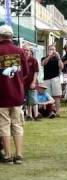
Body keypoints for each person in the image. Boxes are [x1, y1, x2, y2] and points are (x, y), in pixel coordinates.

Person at [0, 25, 29, 164]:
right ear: (11, 36)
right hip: (17, 94)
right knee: (17, 125)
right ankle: (19, 155)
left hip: (2, 95)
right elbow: (26, 72)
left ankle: (7, 156)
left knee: (4, 125)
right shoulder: (20, 51)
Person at [41, 45, 63, 117]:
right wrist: (49, 56)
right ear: (47, 50)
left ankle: (57, 112)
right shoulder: (44, 58)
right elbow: (43, 64)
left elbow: (61, 67)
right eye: (50, 49)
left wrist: (59, 57)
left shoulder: (57, 59)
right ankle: (49, 111)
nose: (52, 51)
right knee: (48, 96)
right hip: (47, 79)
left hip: (55, 78)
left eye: (53, 49)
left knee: (57, 96)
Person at [22, 44, 40, 121]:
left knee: (33, 99)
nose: (26, 51)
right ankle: (29, 115)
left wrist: (33, 82)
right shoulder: (21, 60)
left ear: (30, 51)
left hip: (32, 82)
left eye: (28, 50)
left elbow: (36, 72)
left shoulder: (33, 60)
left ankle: (36, 115)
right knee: (27, 100)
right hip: (23, 83)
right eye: (24, 50)